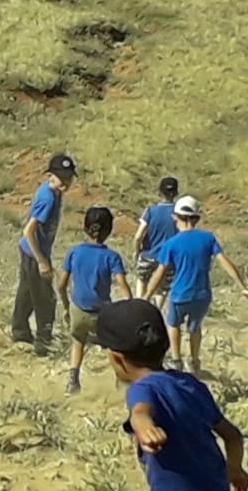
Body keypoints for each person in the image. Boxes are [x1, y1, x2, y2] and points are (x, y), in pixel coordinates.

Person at [96, 298, 248, 491]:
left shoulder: (141, 389)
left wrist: (143, 427)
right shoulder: (189, 384)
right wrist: (235, 470)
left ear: (116, 358)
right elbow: (233, 435)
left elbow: (140, 410)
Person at [144, 196, 248, 374]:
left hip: (180, 294)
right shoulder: (208, 238)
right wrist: (243, 287)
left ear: (175, 217)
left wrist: (147, 296)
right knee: (195, 328)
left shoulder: (171, 244)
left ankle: (177, 360)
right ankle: (194, 360)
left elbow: (160, 272)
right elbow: (224, 261)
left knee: (173, 325)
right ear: (196, 218)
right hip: (202, 295)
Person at [57, 206, 132, 395]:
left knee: (78, 341)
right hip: (102, 312)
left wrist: (67, 306)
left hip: (78, 309)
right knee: (114, 345)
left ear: (85, 228)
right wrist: (130, 306)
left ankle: (73, 381)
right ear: (109, 230)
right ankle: (121, 381)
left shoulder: (74, 252)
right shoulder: (112, 257)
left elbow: (61, 285)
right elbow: (122, 285)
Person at [11, 153, 78, 356]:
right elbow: (28, 231)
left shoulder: (55, 193)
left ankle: (20, 333)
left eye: (68, 177)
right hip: (34, 252)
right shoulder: (48, 198)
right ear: (50, 175)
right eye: (61, 177)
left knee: (26, 293)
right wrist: (42, 261)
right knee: (45, 299)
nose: (65, 182)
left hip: (30, 250)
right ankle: (43, 341)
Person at [133, 177, 179, 308]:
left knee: (142, 280)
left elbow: (138, 236)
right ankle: (155, 312)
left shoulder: (151, 211)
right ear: (176, 193)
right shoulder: (178, 214)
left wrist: (137, 251)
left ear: (160, 192)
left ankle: (139, 308)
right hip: (168, 259)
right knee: (162, 289)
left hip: (148, 254)